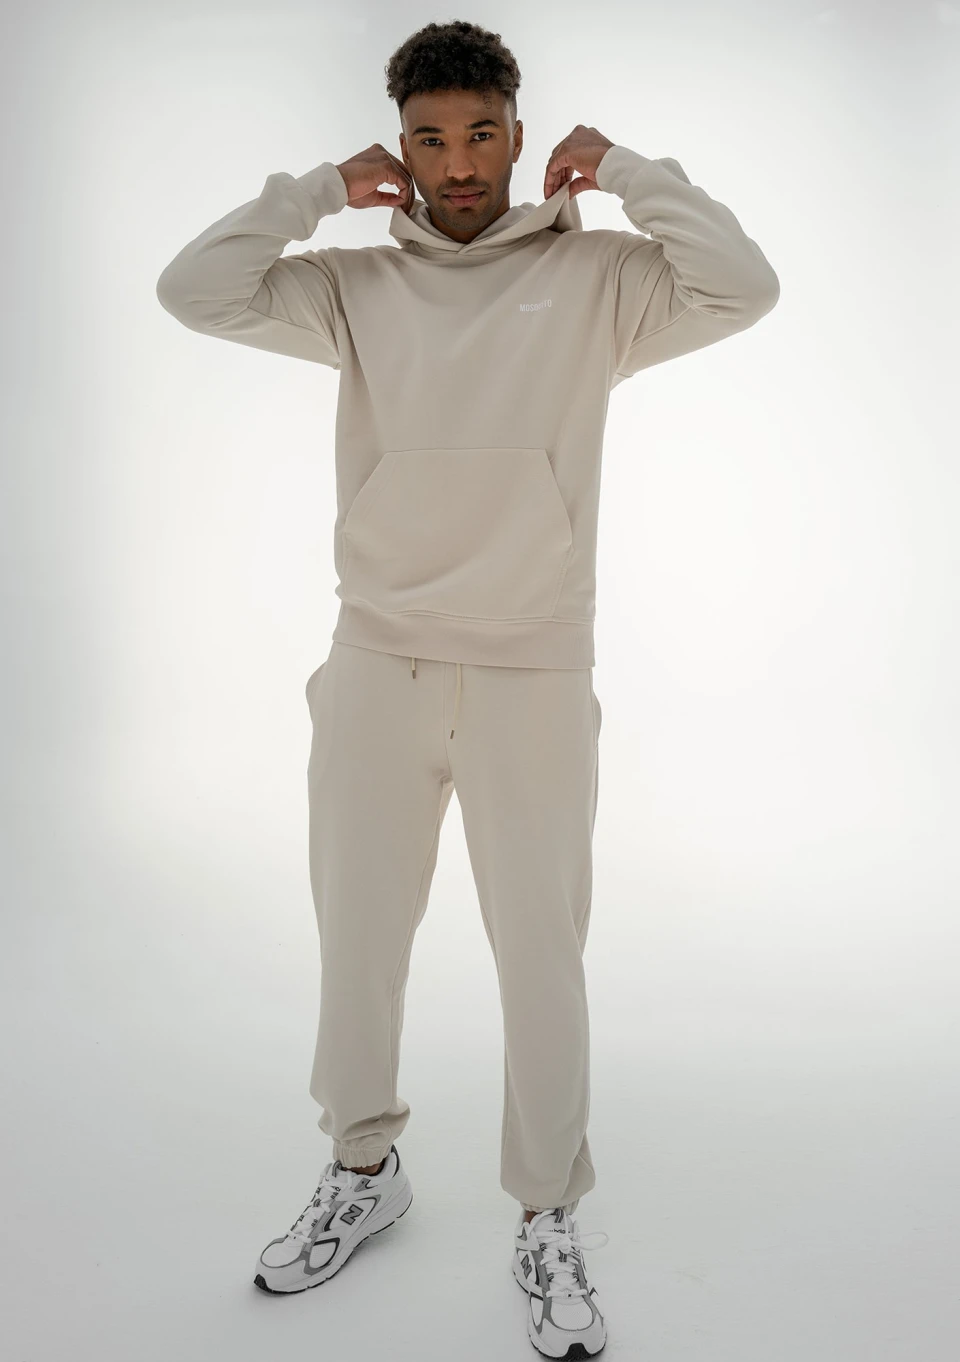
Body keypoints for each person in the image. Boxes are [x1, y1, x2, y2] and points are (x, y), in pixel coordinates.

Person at [155, 19, 779, 1358]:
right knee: (358, 943)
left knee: (540, 956)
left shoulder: (601, 279)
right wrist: (315, 192)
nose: (457, 164)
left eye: (481, 134)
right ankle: (363, 1169)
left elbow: (746, 285)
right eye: (430, 139)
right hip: (375, 661)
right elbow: (192, 289)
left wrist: (629, 170)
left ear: (517, 133)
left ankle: (548, 1209)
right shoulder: (354, 290)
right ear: (402, 145)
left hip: (532, 670)